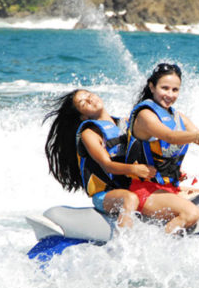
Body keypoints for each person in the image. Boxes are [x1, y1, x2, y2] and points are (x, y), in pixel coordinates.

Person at [125, 63, 199, 234]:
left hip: (170, 189)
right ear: (152, 86)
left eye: (175, 90)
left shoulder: (179, 117)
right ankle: (159, 247)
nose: (170, 95)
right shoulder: (145, 115)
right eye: (165, 88)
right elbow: (170, 136)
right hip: (144, 190)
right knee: (192, 213)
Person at [44, 89, 155, 228]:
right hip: (105, 195)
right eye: (83, 102)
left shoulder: (126, 124)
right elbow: (107, 165)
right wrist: (134, 169)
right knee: (129, 198)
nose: (89, 99)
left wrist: (170, 174)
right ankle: (124, 243)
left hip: (132, 186)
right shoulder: (89, 133)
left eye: (89, 95)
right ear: (83, 117)